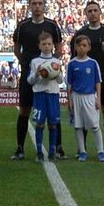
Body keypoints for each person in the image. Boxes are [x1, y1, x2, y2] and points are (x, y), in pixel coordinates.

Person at [10, 0, 62, 160]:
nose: (37, 6)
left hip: (49, 76)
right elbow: (16, 48)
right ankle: (20, 148)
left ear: (44, 5)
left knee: (53, 113)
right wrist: (26, 63)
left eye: (40, 3)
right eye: (34, 3)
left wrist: (52, 67)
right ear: (30, 5)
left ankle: (58, 148)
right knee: (24, 110)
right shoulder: (23, 25)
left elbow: (59, 48)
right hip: (29, 72)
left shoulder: (52, 25)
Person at [73, 0, 104, 160]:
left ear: (100, 12)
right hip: (85, 80)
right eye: (90, 11)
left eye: (95, 10)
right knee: (84, 113)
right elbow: (74, 60)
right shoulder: (80, 33)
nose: (93, 13)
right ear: (85, 14)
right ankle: (83, 148)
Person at [66, 31, 104, 162]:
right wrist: (69, 100)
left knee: (95, 125)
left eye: (84, 45)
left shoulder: (93, 63)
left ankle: (101, 151)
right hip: (76, 97)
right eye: (79, 45)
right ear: (75, 47)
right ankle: (82, 151)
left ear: (89, 47)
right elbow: (69, 84)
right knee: (78, 126)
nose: (82, 48)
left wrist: (98, 98)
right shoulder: (71, 64)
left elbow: (97, 82)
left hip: (90, 97)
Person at [28, 33, 64, 162]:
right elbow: (30, 81)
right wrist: (37, 74)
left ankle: (52, 150)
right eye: (44, 44)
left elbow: (60, 81)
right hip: (39, 95)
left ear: (53, 45)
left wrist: (57, 73)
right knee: (40, 123)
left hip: (53, 95)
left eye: (49, 44)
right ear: (39, 46)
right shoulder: (35, 62)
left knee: (53, 124)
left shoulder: (56, 62)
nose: (46, 46)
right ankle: (39, 152)